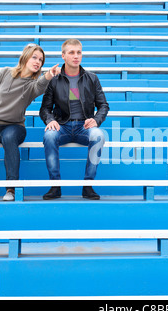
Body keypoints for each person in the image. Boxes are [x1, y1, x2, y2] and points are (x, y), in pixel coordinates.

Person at [0, 43, 61, 201]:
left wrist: (50, 72)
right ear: (25, 57)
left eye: (41, 60)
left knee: (9, 139)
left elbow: (42, 83)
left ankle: (11, 188)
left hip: (15, 126)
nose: (38, 61)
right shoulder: (5, 72)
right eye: (34, 57)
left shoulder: (33, 85)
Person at [39, 39, 109, 200]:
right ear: (63, 56)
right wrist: (50, 120)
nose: (76, 56)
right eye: (71, 52)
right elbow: (44, 108)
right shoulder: (54, 80)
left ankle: (88, 185)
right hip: (62, 126)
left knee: (99, 136)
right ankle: (55, 186)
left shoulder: (91, 78)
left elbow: (103, 105)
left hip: (84, 126)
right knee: (49, 136)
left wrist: (96, 120)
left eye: (79, 52)